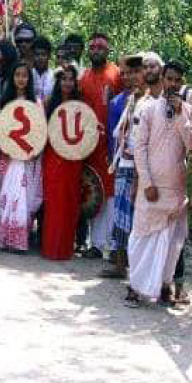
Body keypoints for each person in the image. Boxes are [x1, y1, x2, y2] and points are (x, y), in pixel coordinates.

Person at [125, 60, 192, 307]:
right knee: (141, 238)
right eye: (170, 79)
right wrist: (146, 182)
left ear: (182, 83)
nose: (173, 84)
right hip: (151, 187)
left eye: (178, 80)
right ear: (163, 80)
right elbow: (139, 148)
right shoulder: (148, 108)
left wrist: (179, 117)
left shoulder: (187, 110)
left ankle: (164, 287)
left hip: (175, 189)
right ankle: (135, 287)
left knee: (171, 244)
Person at [101, 53, 151, 278]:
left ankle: (141, 267)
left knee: (141, 216)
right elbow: (114, 136)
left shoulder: (153, 101)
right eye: (127, 73)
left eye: (136, 72)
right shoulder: (119, 102)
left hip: (146, 167)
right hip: (124, 162)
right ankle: (120, 263)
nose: (131, 77)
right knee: (121, 214)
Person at [78, 33, 122, 258]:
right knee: (93, 191)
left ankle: (111, 245)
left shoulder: (117, 74)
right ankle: (95, 244)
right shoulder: (83, 77)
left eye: (100, 47)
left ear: (108, 50)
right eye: (92, 47)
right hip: (89, 146)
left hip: (111, 145)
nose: (96, 50)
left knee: (112, 194)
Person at [0, 62, 43, 253]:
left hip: (27, 159)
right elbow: (0, 130)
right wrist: (3, 148)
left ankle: (19, 240)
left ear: (29, 80)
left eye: (25, 76)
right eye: (18, 75)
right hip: (9, 157)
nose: (21, 79)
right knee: (10, 195)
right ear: (12, 78)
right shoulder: (5, 102)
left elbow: (39, 131)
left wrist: (34, 151)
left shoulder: (36, 103)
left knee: (24, 198)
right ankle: (5, 237)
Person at [41, 65, 83, 260]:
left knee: (70, 201)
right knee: (54, 202)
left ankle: (66, 248)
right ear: (58, 82)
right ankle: (51, 247)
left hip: (73, 158)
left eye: (70, 79)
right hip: (53, 157)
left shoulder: (81, 105)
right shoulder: (49, 103)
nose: (67, 83)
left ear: (75, 82)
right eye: (63, 79)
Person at [32, 36, 54, 103]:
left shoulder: (54, 76)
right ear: (33, 56)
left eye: (43, 54)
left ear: (49, 56)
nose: (40, 58)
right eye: (37, 54)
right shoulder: (28, 74)